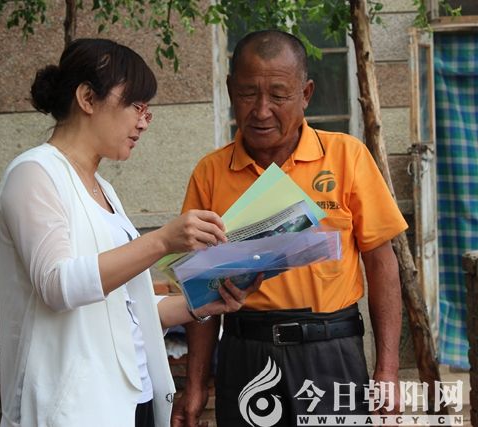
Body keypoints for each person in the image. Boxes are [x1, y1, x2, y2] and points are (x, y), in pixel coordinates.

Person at [0, 38, 260, 427]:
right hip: (73, 406)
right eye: (136, 106)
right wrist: (161, 241)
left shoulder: (104, 189)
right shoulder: (34, 172)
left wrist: (205, 302)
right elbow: (57, 284)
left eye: (147, 110)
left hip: (132, 396)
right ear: (87, 98)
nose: (143, 121)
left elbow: (129, 308)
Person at [171, 29, 408, 427]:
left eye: (278, 95)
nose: (262, 110)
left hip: (330, 350)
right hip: (245, 352)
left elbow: (382, 265)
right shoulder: (210, 173)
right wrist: (195, 384)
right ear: (230, 91)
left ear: (306, 94)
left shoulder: (346, 157)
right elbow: (200, 289)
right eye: (248, 94)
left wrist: (387, 369)